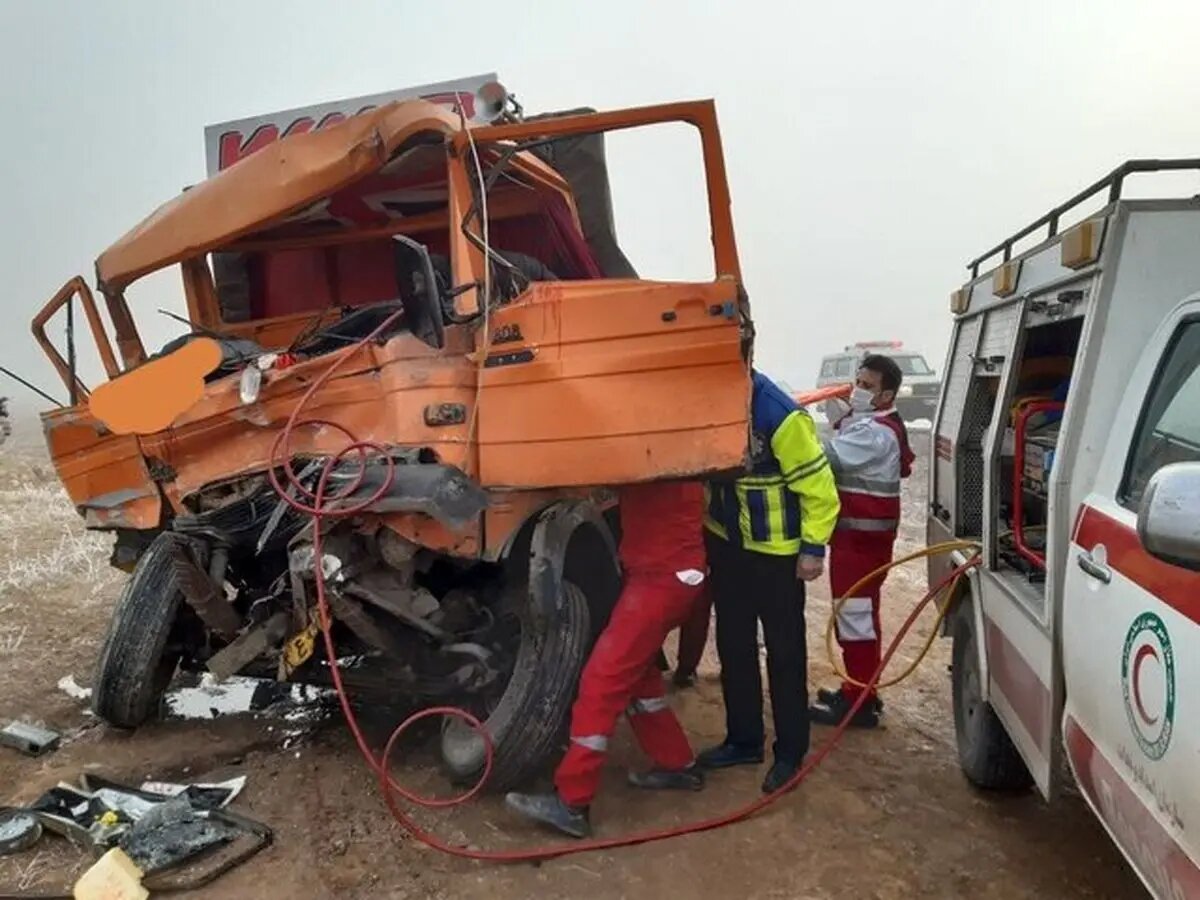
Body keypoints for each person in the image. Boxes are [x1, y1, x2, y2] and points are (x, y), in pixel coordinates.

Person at [505, 481, 708, 838]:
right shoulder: (677, 456)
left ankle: (572, 802)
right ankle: (677, 762)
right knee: (639, 677)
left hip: (660, 579)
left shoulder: (657, 455)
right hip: (668, 572)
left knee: (601, 682)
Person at [698, 370, 840, 793]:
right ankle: (744, 740)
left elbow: (820, 489)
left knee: (784, 654)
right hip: (728, 547)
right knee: (734, 645)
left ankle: (790, 753)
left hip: (777, 555)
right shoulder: (704, 400)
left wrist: (813, 548)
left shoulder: (779, 414)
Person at [808, 354, 915, 729]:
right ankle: (860, 690)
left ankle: (858, 703)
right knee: (859, 616)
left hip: (861, 542)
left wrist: (793, 428)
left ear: (887, 396)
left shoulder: (876, 435)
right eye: (858, 382)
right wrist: (838, 409)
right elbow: (851, 426)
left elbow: (824, 457)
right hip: (860, 540)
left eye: (867, 387)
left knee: (854, 619)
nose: (858, 390)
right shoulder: (877, 424)